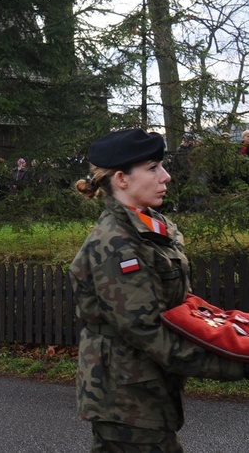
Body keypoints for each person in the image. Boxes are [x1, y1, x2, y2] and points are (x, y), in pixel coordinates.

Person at [70, 128, 249, 452]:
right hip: (125, 401)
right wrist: (237, 363)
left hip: (146, 390)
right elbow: (148, 331)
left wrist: (228, 328)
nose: (165, 176)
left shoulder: (150, 225)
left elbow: (179, 306)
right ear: (122, 179)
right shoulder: (117, 244)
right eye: (153, 168)